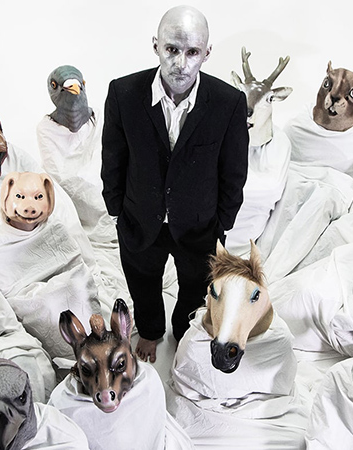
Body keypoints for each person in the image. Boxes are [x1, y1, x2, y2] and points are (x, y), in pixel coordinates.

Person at [101, 5, 249, 363]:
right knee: (143, 281)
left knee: (196, 287)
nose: (181, 63)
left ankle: (185, 332)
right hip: (140, 217)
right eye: (172, 49)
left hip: (199, 225)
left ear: (207, 53)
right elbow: (113, 158)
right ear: (156, 45)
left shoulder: (229, 103)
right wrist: (117, 210)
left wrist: (222, 223)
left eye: (192, 52)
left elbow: (234, 171)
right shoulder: (123, 93)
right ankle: (152, 331)